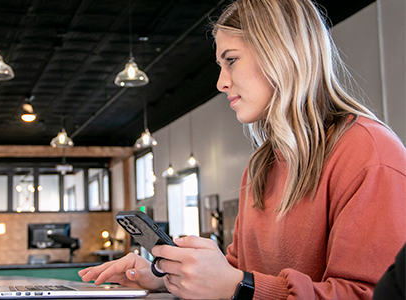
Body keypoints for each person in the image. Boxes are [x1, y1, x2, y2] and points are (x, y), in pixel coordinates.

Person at [78, 0, 406, 299]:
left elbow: (368, 295)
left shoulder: (370, 153)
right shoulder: (262, 164)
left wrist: (237, 286)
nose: (221, 82)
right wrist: (165, 277)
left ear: (281, 52)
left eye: (231, 60)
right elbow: (240, 270)